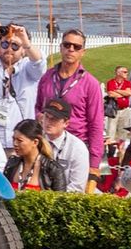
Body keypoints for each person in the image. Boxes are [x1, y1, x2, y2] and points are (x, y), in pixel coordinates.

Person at [36, 29, 104, 191]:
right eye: (67, 45)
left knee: (73, 195)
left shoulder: (90, 83)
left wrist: (94, 164)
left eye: (76, 46)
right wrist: (40, 116)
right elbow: (38, 107)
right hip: (47, 145)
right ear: (61, 47)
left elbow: (96, 124)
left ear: (83, 52)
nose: (71, 49)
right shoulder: (47, 77)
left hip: (76, 149)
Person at [0, 23, 44, 148]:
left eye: (15, 46)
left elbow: (39, 62)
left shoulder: (28, 68)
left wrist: (26, 43)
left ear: (24, 50)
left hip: (21, 143)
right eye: (5, 44)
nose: (9, 49)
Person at [40, 98, 90, 193]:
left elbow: (77, 188)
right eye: (46, 117)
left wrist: (51, 198)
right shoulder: (36, 140)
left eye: (54, 119)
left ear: (66, 123)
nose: (48, 122)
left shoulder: (78, 148)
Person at [4, 119, 67, 191]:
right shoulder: (12, 164)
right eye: (14, 139)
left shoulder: (53, 169)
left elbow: (60, 200)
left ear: (35, 142)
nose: (15, 144)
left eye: (20, 141)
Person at [104, 65, 131, 144]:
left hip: (125, 110)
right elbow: (111, 94)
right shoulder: (110, 82)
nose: (127, 73)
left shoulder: (128, 83)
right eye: (124, 72)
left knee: (123, 132)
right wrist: (123, 93)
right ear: (118, 73)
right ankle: (110, 150)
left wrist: (117, 90)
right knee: (111, 131)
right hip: (114, 110)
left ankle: (121, 150)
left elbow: (129, 93)